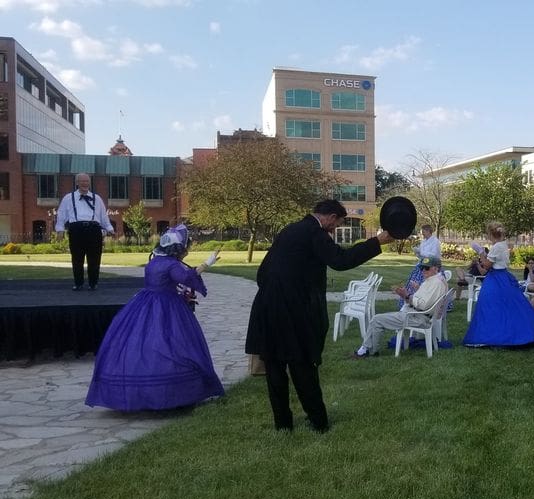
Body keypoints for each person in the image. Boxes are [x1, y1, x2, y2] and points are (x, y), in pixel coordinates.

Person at [245, 199, 394, 432]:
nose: (334, 230)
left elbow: (263, 271)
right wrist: (377, 242)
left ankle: (283, 424)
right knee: (303, 364)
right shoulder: (315, 233)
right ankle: (318, 422)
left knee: (274, 368)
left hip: (267, 306)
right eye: (337, 224)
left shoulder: (290, 230)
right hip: (294, 311)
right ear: (331, 217)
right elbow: (341, 260)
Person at [86, 224, 224, 411]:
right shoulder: (171, 264)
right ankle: (173, 392)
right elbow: (186, 277)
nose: (186, 251)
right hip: (167, 305)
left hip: (145, 302)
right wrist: (207, 263)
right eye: (185, 247)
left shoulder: (153, 262)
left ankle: (138, 389)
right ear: (178, 249)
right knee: (174, 344)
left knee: (142, 343)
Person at [464, 222, 534, 347]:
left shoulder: (497, 246)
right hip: (502, 277)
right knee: (508, 306)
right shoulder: (503, 244)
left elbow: (487, 266)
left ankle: (493, 335)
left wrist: (481, 253)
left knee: (490, 306)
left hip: (496, 279)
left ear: (491, 234)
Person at [354, 255, 449, 357]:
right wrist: (406, 295)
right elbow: (424, 300)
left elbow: (423, 305)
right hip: (417, 314)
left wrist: (406, 295)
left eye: (426, 268)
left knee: (377, 319)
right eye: (421, 268)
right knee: (377, 319)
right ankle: (369, 349)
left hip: (417, 317)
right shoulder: (435, 279)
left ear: (436, 268)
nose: (423, 271)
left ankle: (368, 350)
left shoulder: (435, 283)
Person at [55, 173, 115, 291]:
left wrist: (110, 229)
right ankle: (78, 283)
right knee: (77, 258)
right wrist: (60, 229)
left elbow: (103, 216)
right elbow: (61, 214)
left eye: (87, 181)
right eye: (82, 181)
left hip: (93, 229)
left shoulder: (97, 198)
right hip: (76, 230)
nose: (84, 183)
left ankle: (93, 283)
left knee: (95, 258)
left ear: (89, 183)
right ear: (77, 183)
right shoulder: (68, 198)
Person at [399, 224, 441, 308]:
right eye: (422, 232)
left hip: (431, 265)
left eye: (424, 231)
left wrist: (422, 253)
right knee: (413, 279)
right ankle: (411, 299)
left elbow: (434, 254)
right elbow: (421, 254)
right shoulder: (424, 241)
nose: (422, 233)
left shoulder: (435, 241)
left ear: (429, 231)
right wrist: (417, 251)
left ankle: (423, 301)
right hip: (422, 263)